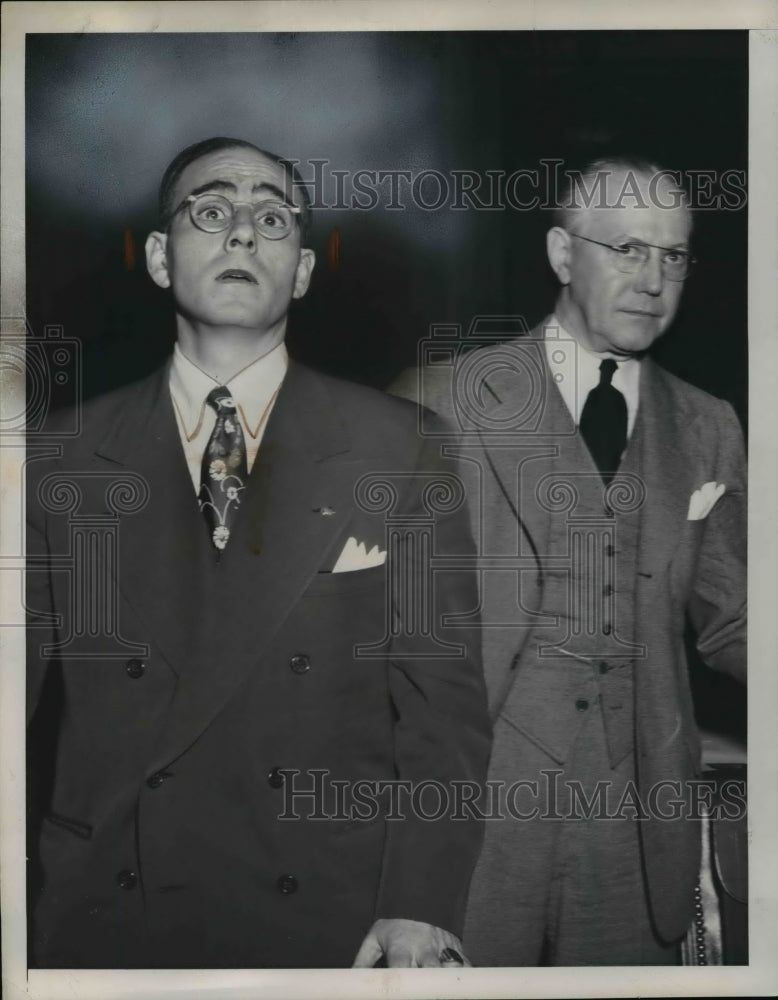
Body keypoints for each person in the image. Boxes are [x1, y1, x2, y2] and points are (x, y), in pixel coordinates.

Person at [25, 137, 491, 969]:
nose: (243, 231)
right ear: (163, 258)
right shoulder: (56, 455)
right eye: (212, 209)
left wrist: (419, 906)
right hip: (105, 915)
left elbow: (443, 711)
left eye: (272, 217)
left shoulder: (402, 448)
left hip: (326, 918)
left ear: (303, 270)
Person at [391, 156, 746, 965]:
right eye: (626, 248)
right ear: (561, 256)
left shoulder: (708, 425)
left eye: (674, 255)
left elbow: (739, 618)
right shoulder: (442, 400)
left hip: (637, 829)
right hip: (473, 823)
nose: (653, 278)